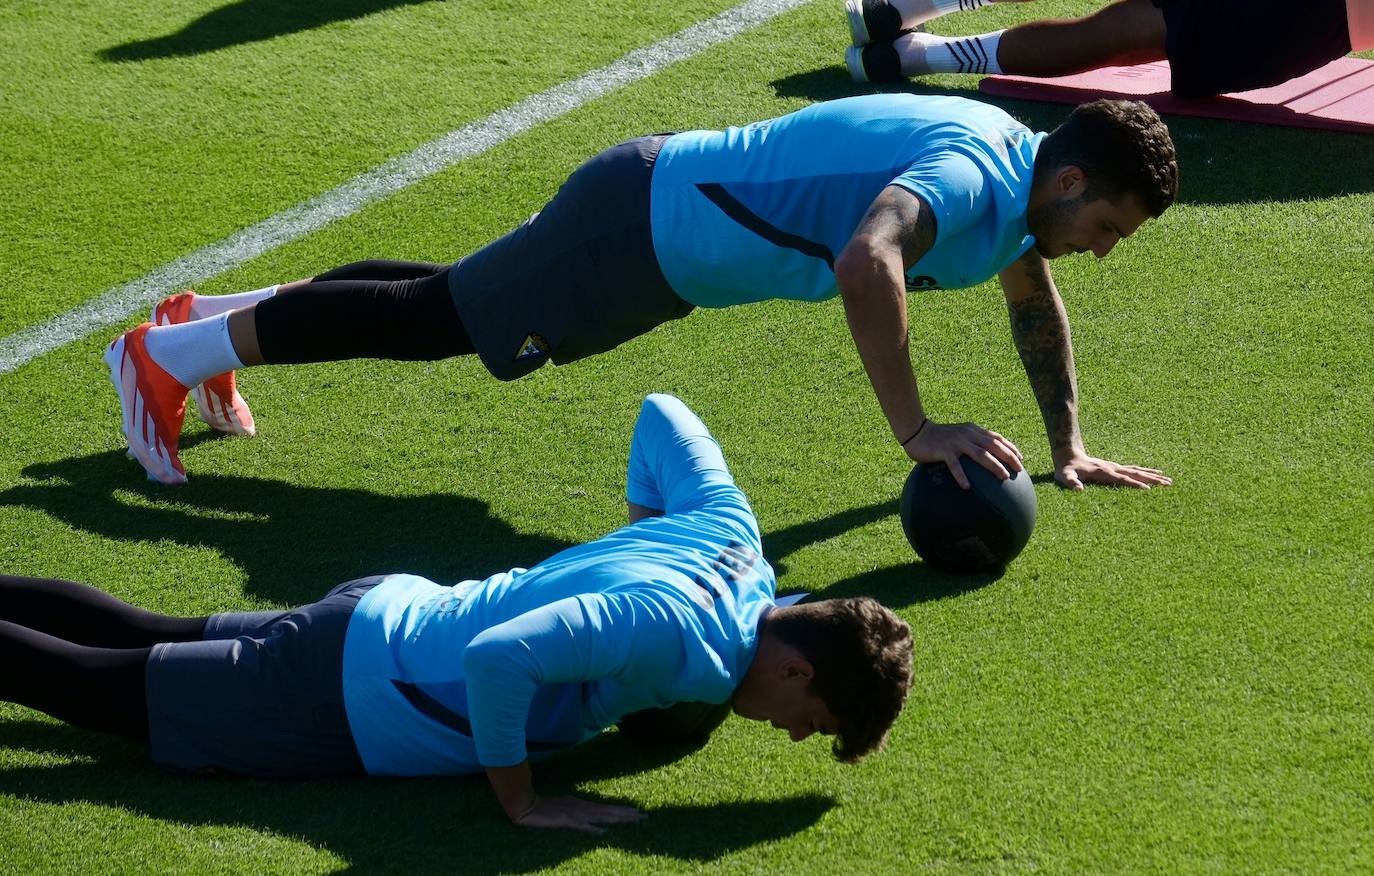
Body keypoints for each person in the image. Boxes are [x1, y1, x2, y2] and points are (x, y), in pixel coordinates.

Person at [105, 93, 1177, 493]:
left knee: (448, 297)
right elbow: (867, 261)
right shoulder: (980, 178)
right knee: (438, 323)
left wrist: (1068, 441)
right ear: (1070, 179)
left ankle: (201, 329)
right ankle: (164, 360)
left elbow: (1030, 301)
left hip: (657, 229)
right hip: (644, 229)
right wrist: (914, 427)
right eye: (1105, 228)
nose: (1102, 250)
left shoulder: (1018, 184)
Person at [1, 394, 914, 833]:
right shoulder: (694, 651)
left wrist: (632, 539)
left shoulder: (738, 544)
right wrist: (524, 803)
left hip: (382, 613)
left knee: (134, 633)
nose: (794, 736)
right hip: (361, 696)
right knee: (89, 685)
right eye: (813, 722)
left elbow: (663, 414)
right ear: (796, 669)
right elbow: (499, 661)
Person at [845, 0, 1374, 98]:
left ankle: (897, 19)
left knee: (1124, 34)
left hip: (1307, 22)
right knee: (1123, 37)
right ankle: (907, 54)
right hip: (1306, 31)